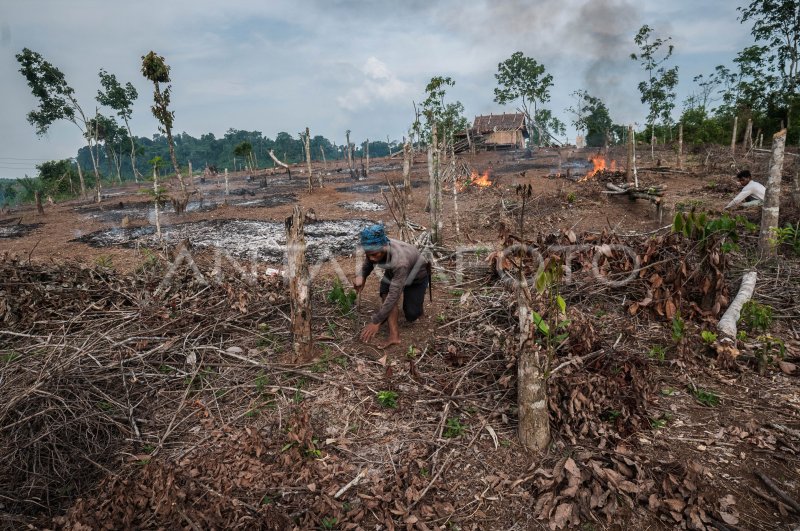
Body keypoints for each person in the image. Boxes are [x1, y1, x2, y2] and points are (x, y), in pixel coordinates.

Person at [354, 224, 430, 347]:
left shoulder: (400, 262)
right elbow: (369, 260)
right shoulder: (377, 246)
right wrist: (362, 276)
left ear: (384, 247)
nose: (372, 258)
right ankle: (394, 336)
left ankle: (417, 308)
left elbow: (394, 295)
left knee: (411, 315)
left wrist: (376, 320)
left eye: (374, 254)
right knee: (386, 295)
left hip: (416, 277)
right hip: (393, 273)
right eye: (368, 254)